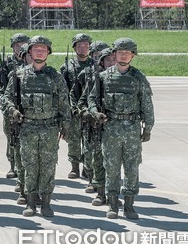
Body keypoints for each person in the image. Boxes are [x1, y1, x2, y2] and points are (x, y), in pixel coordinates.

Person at [3, 36, 71, 217]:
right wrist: (13, 111)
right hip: (28, 128)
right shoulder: (19, 75)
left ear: (48, 52)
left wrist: (66, 126)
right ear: (29, 52)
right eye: (36, 49)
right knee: (29, 166)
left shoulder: (55, 77)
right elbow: (6, 98)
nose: (39, 52)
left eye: (43, 49)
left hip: (50, 129)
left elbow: (65, 103)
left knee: (48, 166)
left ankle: (46, 202)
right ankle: (31, 202)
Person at [87, 38, 154, 220]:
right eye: (120, 52)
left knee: (132, 168)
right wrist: (95, 113)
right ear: (114, 54)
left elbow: (147, 104)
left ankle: (130, 206)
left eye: (127, 52)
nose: (123, 55)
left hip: (132, 129)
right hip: (111, 128)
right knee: (111, 167)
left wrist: (148, 128)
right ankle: (113, 205)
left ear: (133, 55)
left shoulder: (138, 77)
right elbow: (91, 99)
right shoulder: (104, 77)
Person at [78, 46, 115, 206]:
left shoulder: (124, 79)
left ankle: (113, 194)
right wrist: (90, 114)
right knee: (98, 160)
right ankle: (100, 193)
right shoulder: (96, 80)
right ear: (101, 62)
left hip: (117, 128)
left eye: (114, 59)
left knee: (113, 163)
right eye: (108, 59)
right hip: (97, 127)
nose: (111, 63)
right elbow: (82, 102)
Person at [0, 33, 29, 180]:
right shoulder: (7, 63)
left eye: (23, 44)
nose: (20, 47)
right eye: (17, 45)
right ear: (13, 47)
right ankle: (12, 165)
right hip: (10, 108)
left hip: (26, 107)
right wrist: (1, 94)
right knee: (11, 135)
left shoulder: (31, 61)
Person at [60, 33, 94, 179]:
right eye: (80, 45)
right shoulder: (67, 66)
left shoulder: (95, 66)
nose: (83, 48)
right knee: (73, 139)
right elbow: (62, 88)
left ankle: (88, 166)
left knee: (89, 140)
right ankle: (74, 167)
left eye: (86, 45)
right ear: (74, 48)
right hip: (72, 110)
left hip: (89, 109)